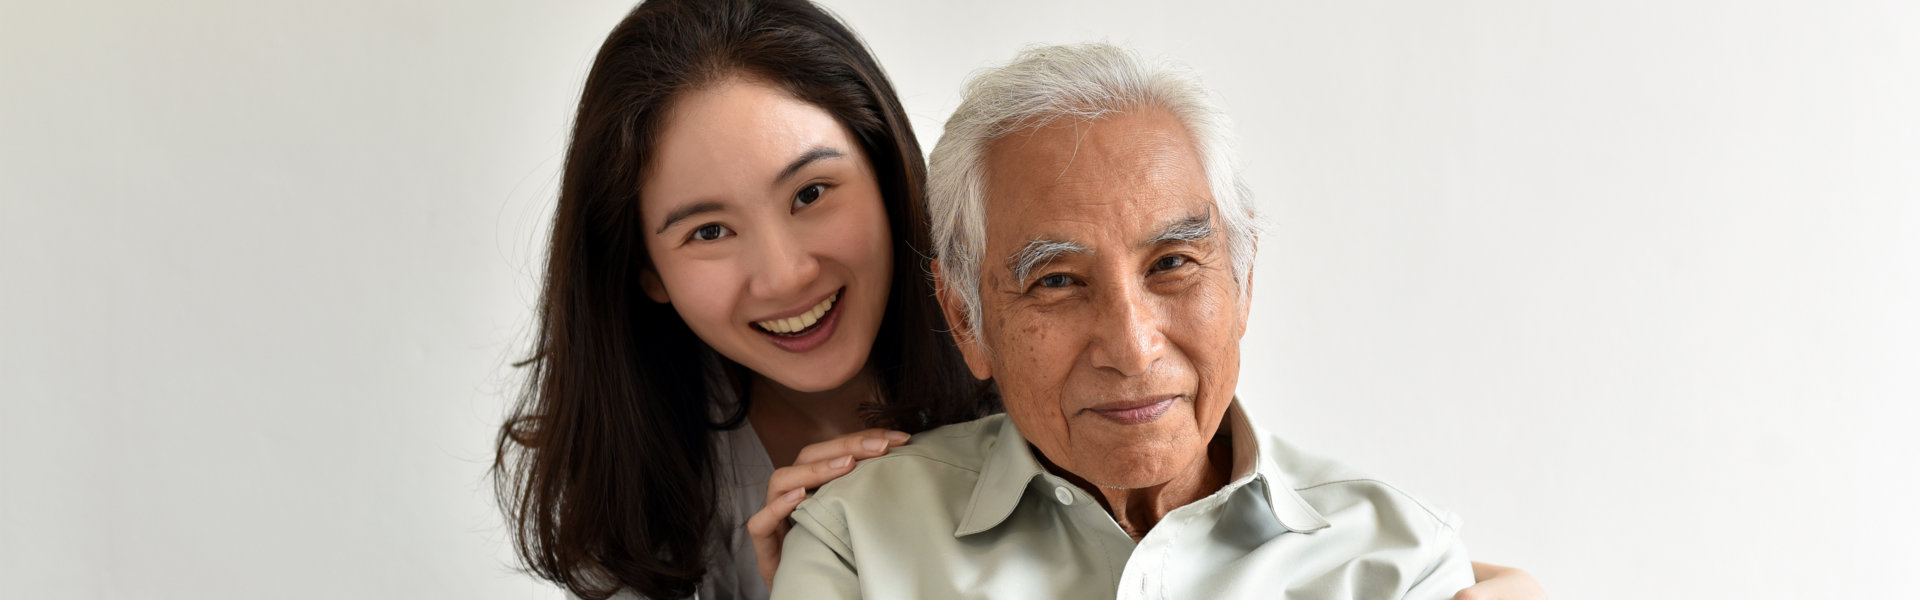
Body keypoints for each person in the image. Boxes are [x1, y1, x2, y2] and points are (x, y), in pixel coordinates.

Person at [495, 1, 1544, 598]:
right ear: (646, 272)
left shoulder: (1105, 408)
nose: (785, 273)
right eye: (709, 230)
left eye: (813, 193)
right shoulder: (672, 498)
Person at [769, 43, 1535, 599]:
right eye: (1058, 280)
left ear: (1242, 279)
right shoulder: (855, 543)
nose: (1132, 349)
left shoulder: (1399, 556)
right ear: (965, 318)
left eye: (1172, 264)